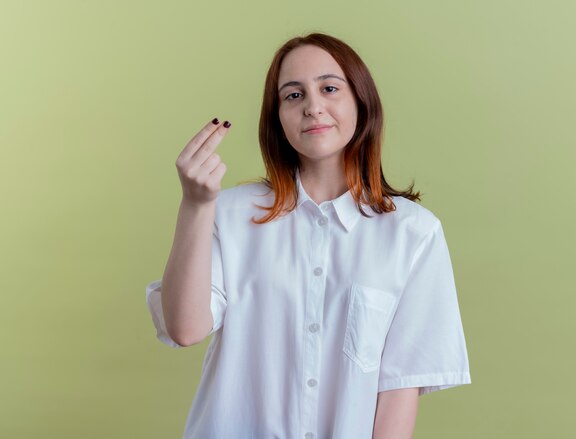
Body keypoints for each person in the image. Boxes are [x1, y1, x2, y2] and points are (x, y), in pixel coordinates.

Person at [146, 32, 471, 439]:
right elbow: (185, 328)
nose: (313, 107)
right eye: (293, 95)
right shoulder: (228, 214)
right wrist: (195, 205)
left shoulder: (414, 234)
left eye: (330, 88)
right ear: (278, 117)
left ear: (361, 102)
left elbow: (399, 389)